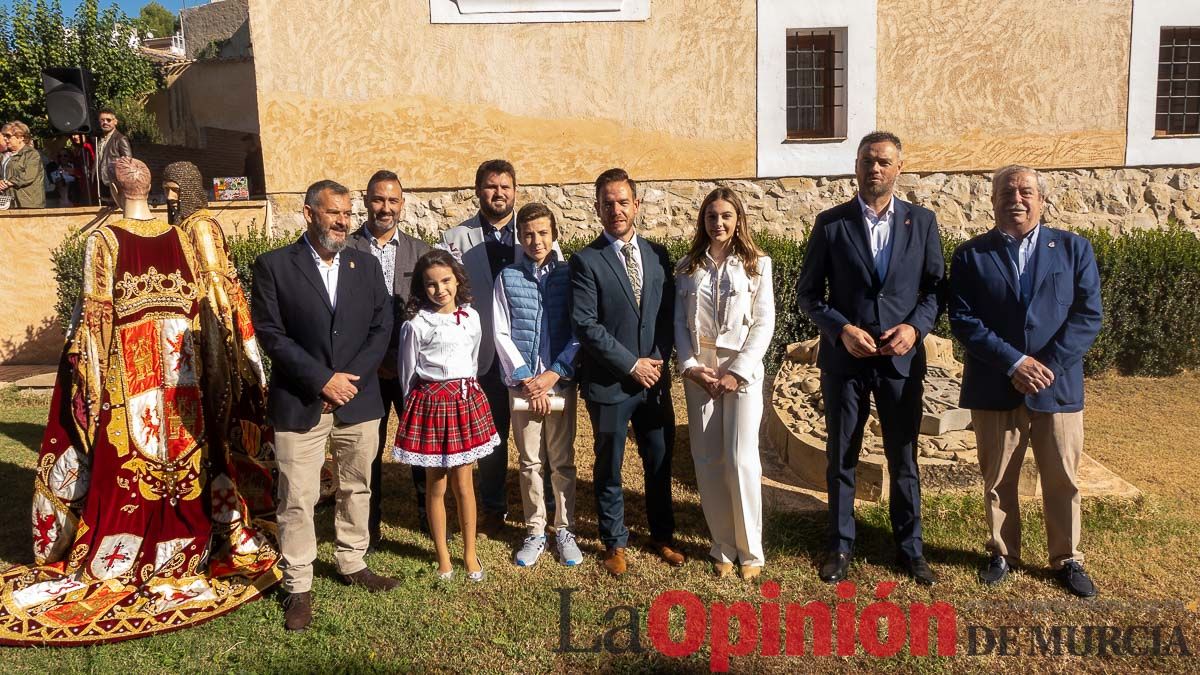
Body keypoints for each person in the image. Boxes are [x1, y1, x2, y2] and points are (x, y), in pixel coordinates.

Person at [0, 157, 280, 645]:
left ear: (110, 190)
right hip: (183, 379)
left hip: (129, 382)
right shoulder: (185, 236)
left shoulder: (103, 240)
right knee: (189, 465)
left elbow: (94, 321)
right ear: (157, 191)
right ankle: (192, 539)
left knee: (122, 468)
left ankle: (120, 547)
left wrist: (85, 381)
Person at [795, 131, 944, 586]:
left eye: (883, 162)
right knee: (842, 455)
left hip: (900, 361)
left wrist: (915, 328)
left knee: (903, 456)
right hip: (846, 361)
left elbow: (936, 290)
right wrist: (840, 329)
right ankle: (840, 545)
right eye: (866, 161)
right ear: (855, 166)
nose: (874, 169)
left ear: (899, 168)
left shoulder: (922, 223)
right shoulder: (831, 223)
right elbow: (808, 295)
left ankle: (910, 548)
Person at [948, 165, 1103, 598]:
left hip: (1057, 385)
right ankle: (1002, 552)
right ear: (993, 199)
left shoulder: (1074, 249)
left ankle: (1067, 558)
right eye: (1007, 191)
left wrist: (1044, 365)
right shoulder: (970, 255)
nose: (1016, 198)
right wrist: (1014, 363)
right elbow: (963, 319)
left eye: (1026, 191)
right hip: (996, 385)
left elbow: (1088, 316)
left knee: (1062, 477)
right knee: (998, 478)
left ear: (1042, 199)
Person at [250, 179, 398, 632]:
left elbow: (382, 326)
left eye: (347, 214)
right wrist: (322, 380)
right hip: (301, 400)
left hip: (358, 399)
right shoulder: (274, 265)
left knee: (358, 485)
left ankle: (352, 561)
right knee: (297, 495)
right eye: (334, 212)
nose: (342, 221)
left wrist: (348, 381)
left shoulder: (365, 265)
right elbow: (270, 333)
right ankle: (299, 583)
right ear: (309, 213)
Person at [570, 167, 681, 577]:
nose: (615, 210)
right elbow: (586, 324)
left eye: (622, 202)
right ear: (597, 209)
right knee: (609, 466)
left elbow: (667, 314)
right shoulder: (586, 261)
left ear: (636, 205)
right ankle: (614, 542)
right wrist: (631, 364)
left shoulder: (657, 255)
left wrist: (656, 359)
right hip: (610, 383)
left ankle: (663, 535)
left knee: (659, 460)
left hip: (653, 382)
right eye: (607, 203)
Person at [675, 188, 775, 580]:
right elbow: (679, 324)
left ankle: (751, 551)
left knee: (740, 459)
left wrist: (739, 371)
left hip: (741, 370)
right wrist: (689, 365)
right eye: (712, 216)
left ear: (738, 220)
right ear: (703, 220)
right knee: (707, 460)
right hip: (701, 371)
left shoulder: (757, 265)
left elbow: (764, 322)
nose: (718, 223)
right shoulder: (687, 266)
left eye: (726, 216)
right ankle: (722, 545)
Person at [394, 249, 500, 581]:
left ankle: (469, 553)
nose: (440, 290)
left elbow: (473, 358)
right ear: (421, 289)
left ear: (457, 281)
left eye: (446, 281)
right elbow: (407, 373)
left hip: (464, 402)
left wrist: (465, 391)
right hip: (430, 406)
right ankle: (443, 556)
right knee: (435, 484)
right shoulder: (416, 324)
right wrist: (419, 407)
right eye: (430, 285)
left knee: (465, 484)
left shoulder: (471, 318)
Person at [492, 203, 583, 567]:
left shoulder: (570, 276)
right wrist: (526, 379)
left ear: (554, 234)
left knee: (561, 460)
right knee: (530, 461)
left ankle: (564, 528)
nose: (536, 240)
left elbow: (579, 331)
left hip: (559, 382)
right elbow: (501, 331)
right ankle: (534, 529)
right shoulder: (507, 278)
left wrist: (554, 373)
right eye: (528, 234)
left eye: (543, 233)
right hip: (523, 386)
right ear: (520, 237)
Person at [439, 159, 526, 536]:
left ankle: (545, 507)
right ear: (478, 190)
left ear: (515, 191)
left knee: (536, 439)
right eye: (491, 186)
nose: (499, 193)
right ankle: (493, 508)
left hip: (527, 355)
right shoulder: (455, 238)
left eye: (505, 186)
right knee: (492, 437)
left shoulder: (534, 233)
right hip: (483, 357)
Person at [345, 170, 431, 545]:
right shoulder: (346, 249)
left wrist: (402, 358)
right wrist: (369, 361)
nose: (385, 207)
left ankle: (430, 518)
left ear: (402, 204)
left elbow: (431, 310)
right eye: (378, 200)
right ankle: (369, 525)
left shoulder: (421, 251)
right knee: (367, 453)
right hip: (364, 373)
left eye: (392, 200)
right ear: (365, 202)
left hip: (409, 370)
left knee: (419, 446)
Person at [0, 122, 46, 208]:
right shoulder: (3, 155)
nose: (5, 139)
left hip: (29, 204)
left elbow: (29, 176)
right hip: (8, 204)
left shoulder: (31, 154)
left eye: (8, 136)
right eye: (4, 136)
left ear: (21, 137)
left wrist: (8, 182)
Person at [96, 107, 132, 203]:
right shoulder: (99, 140)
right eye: (102, 120)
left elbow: (128, 162)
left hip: (114, 182)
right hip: (101, 182)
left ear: (115, 122)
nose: (105, 123)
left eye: (108, 120)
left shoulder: (120, 139)